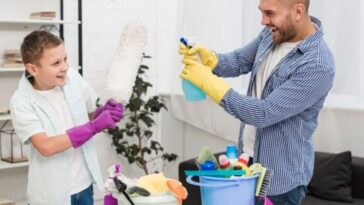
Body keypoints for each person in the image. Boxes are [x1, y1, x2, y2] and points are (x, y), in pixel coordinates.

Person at [179, 0, 335, 204]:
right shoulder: (274, 33)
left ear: (298, 11)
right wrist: (210, 59)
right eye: (262, 12)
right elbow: (239, 61)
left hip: (280, 180)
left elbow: (264, 113)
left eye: (269, 13)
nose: (263, 21)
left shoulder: (317, 64)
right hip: (248, 162)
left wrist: (209, 83)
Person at [10, 30, 123, 205]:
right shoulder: (21, 102)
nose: (64, 67)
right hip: (51, 195)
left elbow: (90, 113)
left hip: (84, 186)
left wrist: (104, 112)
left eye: (65, 59)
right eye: (56, 63)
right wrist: (94, 126)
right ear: (33, 69)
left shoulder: (73, 78)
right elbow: (46, 146)